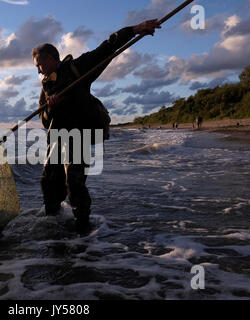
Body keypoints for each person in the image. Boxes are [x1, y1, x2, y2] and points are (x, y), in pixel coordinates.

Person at [32, 19, 161, 234]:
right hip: (56, 138)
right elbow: (44, 120)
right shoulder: (46, 86)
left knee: (74, 181)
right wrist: (51, 107)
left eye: (39, 65)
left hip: (79, 134)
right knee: (48, 182)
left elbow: (107, 47)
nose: (38, 71)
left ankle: (83, 227)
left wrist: (134, 29)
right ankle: (52, 226)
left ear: (51, 58)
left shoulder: (77, 68)